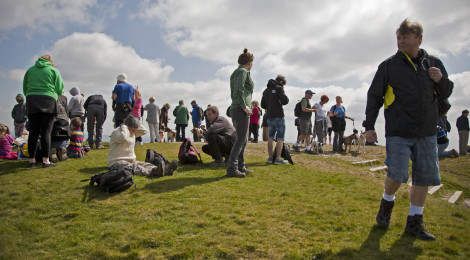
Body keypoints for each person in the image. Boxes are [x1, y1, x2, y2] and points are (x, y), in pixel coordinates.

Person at [363, 19, 454, 240]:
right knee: (397, 173)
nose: (401, 40)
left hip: (427, 132)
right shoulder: (388, 66)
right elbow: (374, 96)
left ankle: (415, 221)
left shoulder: (433, 63)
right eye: (398, 37)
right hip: (398, 130)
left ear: (419, 39)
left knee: (424, 176)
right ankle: (387, 202)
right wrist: (369, 126)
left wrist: (440, 80)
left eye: (405, 36)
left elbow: (447, 91)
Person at [23, 54, 64, 168]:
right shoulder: (53, 70)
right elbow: (60, 89)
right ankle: (45, 161)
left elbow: (25, 88)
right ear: (50, 61)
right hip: (48, 100)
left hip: (32, 100)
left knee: (33, 132)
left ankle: (32, 161)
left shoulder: (30, 70)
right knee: (46, 132)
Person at [107, 116, 178, 177]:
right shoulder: (117, 132)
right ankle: (154, 172)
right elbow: (123, 139)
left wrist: (136, 123)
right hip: (116, 162)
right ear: (127, 127)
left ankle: (163, 169)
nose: (133, 132)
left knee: (144, 164)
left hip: (130, 160)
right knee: (135, 167)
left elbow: (144, 131)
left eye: (135, 130)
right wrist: (124, 127)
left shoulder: (132, 132)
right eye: (132, 130)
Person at [227, 48, 255, 178]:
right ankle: (232, 168)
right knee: (241, 139)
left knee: (243, 139)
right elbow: (239, 90)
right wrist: (244, 106)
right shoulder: (243, 71)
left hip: (236, 108)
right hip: (240, 109)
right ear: (249, 62)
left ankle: (240, 166)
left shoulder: (236, 72)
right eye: (252, 62)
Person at [261, 75, 289, 164]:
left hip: (269, 117)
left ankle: (270, 158)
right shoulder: (279, 88)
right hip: (279, 116)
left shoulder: (265, 91)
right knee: (280, 138)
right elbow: (285, 101)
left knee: (270, 137)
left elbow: (262, 105)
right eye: (283, 84)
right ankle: (278, 158)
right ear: (281, 82)